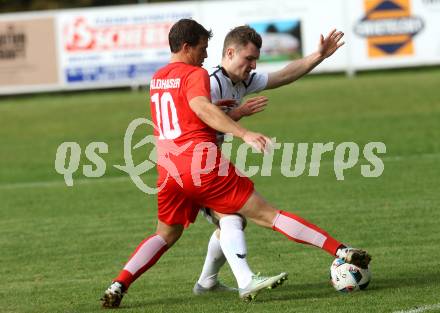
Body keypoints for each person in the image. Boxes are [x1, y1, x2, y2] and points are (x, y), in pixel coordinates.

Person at [101, 19, 370, 308]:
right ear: (190, 47)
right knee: (256, 216)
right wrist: (241, 128)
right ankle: (335, 252)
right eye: (203, 48)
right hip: (201, 165)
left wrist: (318, 56)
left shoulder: (162, 77)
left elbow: (282, 76)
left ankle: (125, 283)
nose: (205, 55)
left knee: (168, 233)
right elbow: (201, 110)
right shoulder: (202, 77)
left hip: (169, 168)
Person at [194, 26, 370, 299]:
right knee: (246, 217)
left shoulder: (243, 80)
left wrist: (318, 56)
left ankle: (207, 283)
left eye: (255, 60)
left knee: (231, 221)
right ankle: (243, 280)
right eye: (248, 59)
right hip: (195, 166)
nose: (253, 66)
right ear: (230, 52)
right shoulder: (210, 82)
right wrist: (239, 118)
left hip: (210, 163)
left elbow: (283, 76)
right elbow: (193, 122)